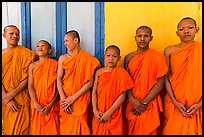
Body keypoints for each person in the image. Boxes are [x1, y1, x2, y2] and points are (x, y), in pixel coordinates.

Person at [124, 26, 168, 135]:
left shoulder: (158, 57)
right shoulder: (129, 57)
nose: (142, 39)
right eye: (140, 36)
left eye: (146, 36)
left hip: (150, 103)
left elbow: (160, 82)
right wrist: (132, 99)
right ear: (135, 38)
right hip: (132, 103)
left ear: (151, 38)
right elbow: (126, 81)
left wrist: (144, 102)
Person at [162, 17, 202, 135]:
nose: (186, 31)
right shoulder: (169, 50)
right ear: (177, 33)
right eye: (182, 29)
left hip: (197, 103)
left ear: (197, 30)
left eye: (190, 28)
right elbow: (165, 77)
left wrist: (200, 104)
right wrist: (175, 102)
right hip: (173, 101)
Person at [57, 30, 101, 135]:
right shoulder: (63, 58)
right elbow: (58, 79)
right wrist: (63, 99)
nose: (65, 44)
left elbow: (89, 83)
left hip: (80, 99)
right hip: (65, 99)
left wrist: (73, 98)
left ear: (76, 40)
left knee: (81, 127)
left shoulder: (88, 59)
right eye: (64, 41)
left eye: (67, 41)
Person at [92, 45, 135, 135]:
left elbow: (122, 95)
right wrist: (95, 111)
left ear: (119, 58)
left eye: (114, 56)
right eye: (108, 56)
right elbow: (94, 93)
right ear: (104, 56)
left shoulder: (122, 73)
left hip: (114, 113)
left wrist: (109, 113)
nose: (111, 59)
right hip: (99, 112)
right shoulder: (99, 72)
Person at [2, 25, 36, 135]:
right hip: (6, 100)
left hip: (21, 97)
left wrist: (12, 94)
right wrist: (6, 99)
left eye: (17, 34)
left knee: (23, 129)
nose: (15, 36)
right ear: (4, 35)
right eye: (11, 33)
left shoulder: (26, 54)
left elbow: (27, 78)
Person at [28, 40, 60, 135]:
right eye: (37, 46)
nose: (39, 48)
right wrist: (36, 104)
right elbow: (30, 86)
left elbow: (58, 87)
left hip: (51, 105)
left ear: (49, 50)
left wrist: (51, 104)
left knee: (53, 130)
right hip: (36, 104)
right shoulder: (32, 66)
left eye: (43, 46)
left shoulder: (55, 64)